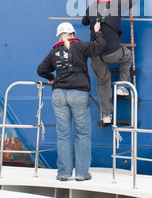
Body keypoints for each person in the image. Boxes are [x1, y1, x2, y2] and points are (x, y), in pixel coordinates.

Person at [37, 21, 106, 181]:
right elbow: (100, 45)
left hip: (59, 94)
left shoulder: (54, 51)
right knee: (82, 134)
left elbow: (41, 70)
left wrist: (52, 79)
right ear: (73, 34)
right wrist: (97, 31)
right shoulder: (80, 46)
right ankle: (82, 174)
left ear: (59, 36)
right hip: (78, 94)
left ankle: (63, 173)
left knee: (63, 135)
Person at [82, 0, 139, 124]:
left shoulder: (91, 8)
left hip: (95, 55)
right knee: (128, 56)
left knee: (104, 82)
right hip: (112, 52)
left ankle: (106, 115)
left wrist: (92, 9)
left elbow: (83, 22)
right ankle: (121, 86)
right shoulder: (116, 5)